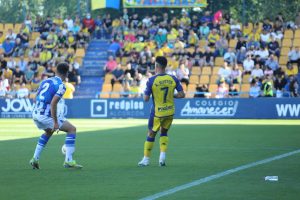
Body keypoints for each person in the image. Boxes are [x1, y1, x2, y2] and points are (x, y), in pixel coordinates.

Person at [29, 62, 82, 169]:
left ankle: (35, 158)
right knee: (72, 129)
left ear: (55, 71)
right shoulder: (61, 86)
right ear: (66, 74)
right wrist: (56, 123)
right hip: (46, 115)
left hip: (35, 114)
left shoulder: (45, 81)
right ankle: (68, 160)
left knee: (49, 132)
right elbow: (53, 104)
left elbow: (34, 98)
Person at [138, 56, 185, 167]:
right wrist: (171, 95)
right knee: (164, 132)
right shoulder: (173, 78)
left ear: (157, 66)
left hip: (157, 113)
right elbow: (182, 94)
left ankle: (146, 160)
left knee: (151, 133)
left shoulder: (152, 80)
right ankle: (162, 158)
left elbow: (146, 99)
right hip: (170, 111)